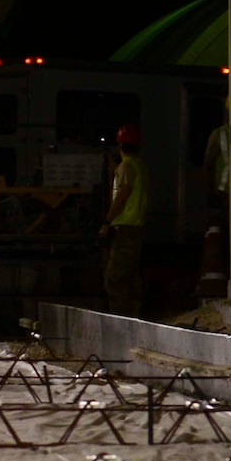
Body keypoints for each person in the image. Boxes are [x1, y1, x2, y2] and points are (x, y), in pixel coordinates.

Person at [101, 122, 148, 317]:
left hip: (125, 226)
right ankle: (134, 316)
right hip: (136, 226)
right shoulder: (139, 165)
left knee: (115, 278)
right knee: (131, 276)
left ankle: (120, 318)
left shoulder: (126, 166)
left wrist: (106, 222)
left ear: (119, 145)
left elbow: (122, 195)